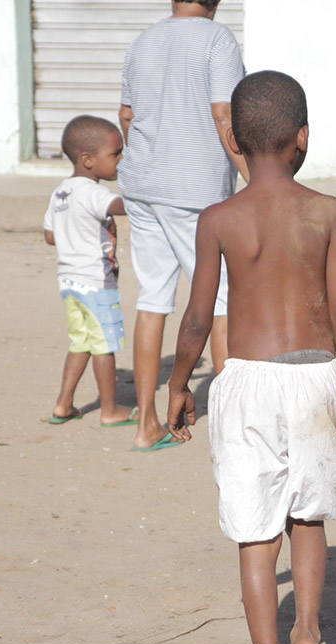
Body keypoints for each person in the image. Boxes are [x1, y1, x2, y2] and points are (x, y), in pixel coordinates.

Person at [166, 71, 336, 644]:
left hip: (248, 380)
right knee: (308, 518)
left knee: (257, 536)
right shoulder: (327, 212)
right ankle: (307, 634)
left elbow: (198, 319)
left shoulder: (220, 219)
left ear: (231, 137)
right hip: (316, 376)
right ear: (302, 137)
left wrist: (177, 384)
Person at [118, 0, 248, 452]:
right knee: (222, 296)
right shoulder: (217, 39)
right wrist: (253, 179)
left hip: (141, 184)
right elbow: (223, 113)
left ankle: (146, 425)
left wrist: (148, 163)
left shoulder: (145, 39)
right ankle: (233, 428)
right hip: (194, 188)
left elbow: (127, 116)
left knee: (152, 297)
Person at [43, 116, 137, 430]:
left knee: (80, 342)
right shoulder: (92, 191)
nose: (121, 160)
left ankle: (63, 404)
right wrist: (146, 194)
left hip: (68, 283)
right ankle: (110, 410)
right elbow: (120, 206)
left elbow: (50, 236)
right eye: (115, 154)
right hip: (96, 283)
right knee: (104, 345)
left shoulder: (61, 193)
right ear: (87, 160)